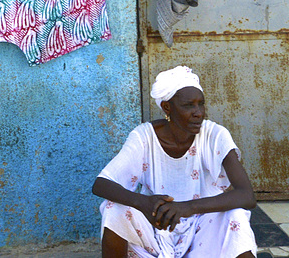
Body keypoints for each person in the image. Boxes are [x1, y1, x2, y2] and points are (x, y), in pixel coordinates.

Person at [92, 66, 257, 257]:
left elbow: (247, 196)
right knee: (113, 209)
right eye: (189, 105)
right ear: (167, 107)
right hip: (157, 225)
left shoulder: (215, 135)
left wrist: (186, 207)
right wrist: (144, 202)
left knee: (236, 217)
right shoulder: (144, 137)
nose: (198, 113)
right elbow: (101, 184)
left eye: (201, 104)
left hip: (203, 226)